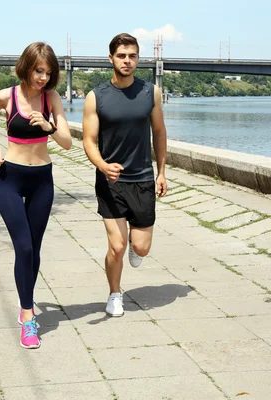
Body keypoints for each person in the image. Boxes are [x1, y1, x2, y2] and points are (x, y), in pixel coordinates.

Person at [0, 42, 72, 348]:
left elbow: (68, 143)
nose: (43, 77)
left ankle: (25, 304)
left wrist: (49, 126)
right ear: (26, 67)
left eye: (48, 72)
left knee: (35, 248)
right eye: (38, 70)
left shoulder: (51, 98)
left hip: (42, 180)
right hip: (10, 180)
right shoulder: (7, 96)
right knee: (24, 248)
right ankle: (29, 316)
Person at [82, 33, 167, 317]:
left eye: (132, 56)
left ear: (138, 59)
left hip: (143, 178)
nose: (127, 61)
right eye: (121, 56)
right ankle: (114, 293)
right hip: (111, 181)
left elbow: (159, 133)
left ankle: (136, 247)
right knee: (115, 246)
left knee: (140, 249)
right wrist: (103, 166)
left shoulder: (150, 92)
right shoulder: (96, 97)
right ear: (111, 59)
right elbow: (89, 141)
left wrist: (162, 172)